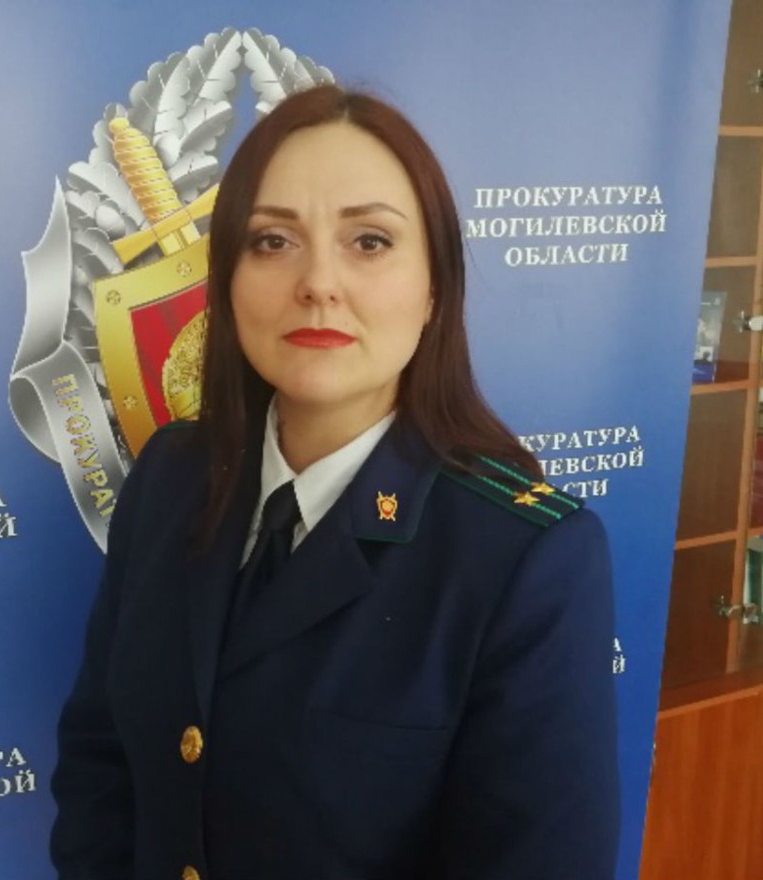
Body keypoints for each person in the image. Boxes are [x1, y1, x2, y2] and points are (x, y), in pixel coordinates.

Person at [50, 84, 619, 880]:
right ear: (227, 281)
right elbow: (100, 765)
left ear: (434, 288)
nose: (318, 282)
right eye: (273, 241)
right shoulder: (171, 477)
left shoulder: (523, 560)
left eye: (370, 241)